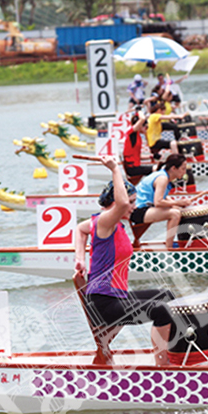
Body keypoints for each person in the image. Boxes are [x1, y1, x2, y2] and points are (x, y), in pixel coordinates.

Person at [74, 155, 176, 366]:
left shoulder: (106, 222)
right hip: (104, 303)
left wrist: (79, 258)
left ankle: (174, 351)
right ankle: (163, 365)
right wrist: (114, 169)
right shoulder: (106, 222)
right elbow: (120, 204)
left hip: (117, 297)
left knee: (167, 295)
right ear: (114, 203)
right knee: (161, 310)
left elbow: (80, 229)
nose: (133, 206)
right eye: (131, 202)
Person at [130, 153, 193, 248]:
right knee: (175, 214)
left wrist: (176, 204)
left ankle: (182, 241)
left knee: (177, 209)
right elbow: (158, 202)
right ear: (173, 168)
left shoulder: (164, 176)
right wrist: (178, 202)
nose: (185, 172)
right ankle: (169, 247)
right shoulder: (162, 178)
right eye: (183, 169)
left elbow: (163, 197)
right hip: (137, 211)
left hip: (145, 208)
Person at [122, 112, 153, 180]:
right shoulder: (131, 133)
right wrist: (139, 111)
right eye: (145, 127)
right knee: (157, 169)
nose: (146, 129)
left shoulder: (138, 136)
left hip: (136, 166)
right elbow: (142, 118)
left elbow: (137, 156)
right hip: (132, 168)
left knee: (158, 167)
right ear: (140, 125)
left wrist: (151, 156)